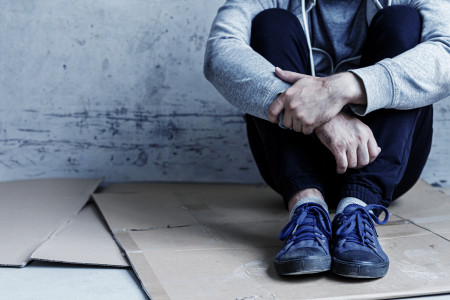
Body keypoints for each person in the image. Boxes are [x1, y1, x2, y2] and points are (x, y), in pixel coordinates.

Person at [204, 0, 450, 278]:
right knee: (272, 22)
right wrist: (323, 116)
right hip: (294, 165)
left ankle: (360, 209)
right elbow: (219, 51)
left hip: (383, 161)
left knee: (403, 20)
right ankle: (306, 207)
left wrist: (346, 87)